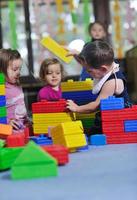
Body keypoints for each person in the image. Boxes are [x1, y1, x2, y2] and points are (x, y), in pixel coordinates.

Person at [67, 40, 132, 136]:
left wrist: (77, 108)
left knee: (93, 135)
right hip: (107, 115)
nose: (88, 73)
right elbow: (87, 64)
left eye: (89, 71)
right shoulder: (105, 64)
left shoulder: (112, 82)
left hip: (116, 121)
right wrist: (77, 54)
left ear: (103, 69)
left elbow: (96, 105)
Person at [0, 48, 29, 131]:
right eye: (15, 69)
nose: (18, 72)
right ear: (2, 70)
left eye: (19, 69)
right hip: (8, 131)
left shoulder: (18, 86)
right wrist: (7, 122)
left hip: (22, 129)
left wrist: (27, 119)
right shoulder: (2, 89)